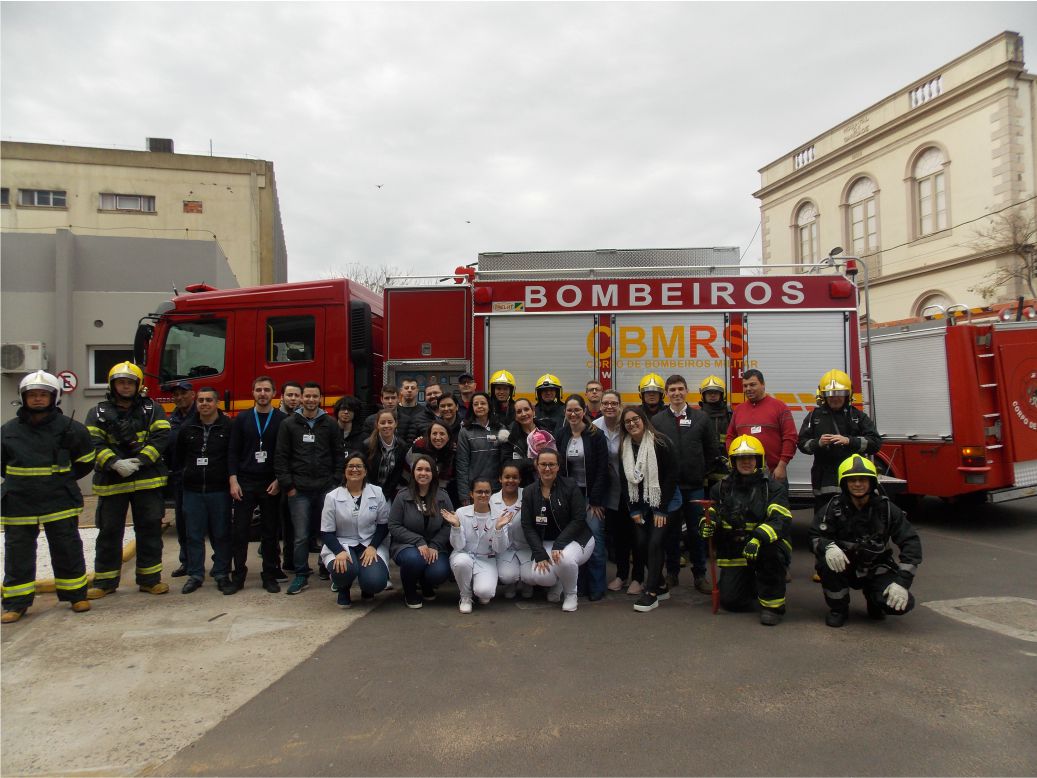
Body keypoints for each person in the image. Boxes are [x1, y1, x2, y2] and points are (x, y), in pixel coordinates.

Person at [1, 371, 95, 623]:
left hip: (59, 500)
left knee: (67, 548)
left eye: (43, 394)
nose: (38, 399)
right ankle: (15, 603)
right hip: (19, 501)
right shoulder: (7, 431)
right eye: (33, 395)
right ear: (23, 398)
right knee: (17, 553)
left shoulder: (71, 429)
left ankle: (76, 595)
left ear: (54, 397)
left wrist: (62, 477)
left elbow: (86, 461)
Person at [85, 361, 171, 600]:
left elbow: (162, 436)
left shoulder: (152, 409)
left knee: (150, 531)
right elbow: (93, 443)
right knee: (109, 532)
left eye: (129, 382)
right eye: (121, 382)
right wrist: (113, 463)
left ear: (138, 385)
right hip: (113, 482)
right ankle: (105, 581)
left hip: (146, 480)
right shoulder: (98, 413)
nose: (125, 387)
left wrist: (141, 460)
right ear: (112, 385)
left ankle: (150, 580)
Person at [811, 455, 922, 627]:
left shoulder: (887, 509)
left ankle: (875, 600)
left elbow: (911, 542)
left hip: (875, 567)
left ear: (872, 482)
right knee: (826, 565)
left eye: (862, 479)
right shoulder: (832, 509)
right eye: (852, 480)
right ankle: (838, 609)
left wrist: (902, 583)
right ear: (844, 483)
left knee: (901, 605)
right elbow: (815, 535)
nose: (857, 484)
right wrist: (828, 547)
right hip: (843, 565)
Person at [699, 435, 793, 625]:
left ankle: (772, 607)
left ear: (759, 460)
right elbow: (712, 511)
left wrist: (758, 538)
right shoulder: (721, 488)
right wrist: (707, 524)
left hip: (765, 547)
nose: (746, 462)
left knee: (770, 552)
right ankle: (749, 583)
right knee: (732, 602)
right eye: (741, 458)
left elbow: (780, 520)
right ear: (733, 461)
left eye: (751, 458)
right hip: (735, 549)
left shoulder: (772, 488)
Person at [274, 381, 344, 595]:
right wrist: (289, 485)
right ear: (301, 398)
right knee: (301, 536)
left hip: (326, 488)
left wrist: (335, 482)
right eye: (308, 396)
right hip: (299, 490)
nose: (311, 400)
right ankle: (301, 574)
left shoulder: (330, 424)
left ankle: (328, 569)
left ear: (319, 399)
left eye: (315, 396)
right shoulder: (289, 424)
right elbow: (281, 457)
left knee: (327, 532)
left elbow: (339, 454)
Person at [651, 374, 717, 594]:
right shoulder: (658, 421)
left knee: (698, 533)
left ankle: (700, 575)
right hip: (669, 489)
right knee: (671, 534)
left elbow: (711, 450)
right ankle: (672, 574)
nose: (676, 393)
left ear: (686, 391)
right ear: (666, 394)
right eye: (672, 390)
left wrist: (701, 471)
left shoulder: (701, 418)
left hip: (694, 487)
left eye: (680, 389)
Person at [228, 375, 286, 593]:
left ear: (274, 394)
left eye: (267, 390)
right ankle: (239, 575)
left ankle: (269, 574)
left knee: (270, 533)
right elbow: (233, 451)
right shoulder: (242, 419)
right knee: (240, 532)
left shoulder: (281, 420)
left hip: (271, 483)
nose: (263, 394)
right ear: (252, 393)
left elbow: (284, 454)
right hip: (245, 482)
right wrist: (233, 480)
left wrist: (279, 480)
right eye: (259, 390)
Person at [619, 405, 679, 613]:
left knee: (654, 543)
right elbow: (624, 480)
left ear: (643, 420)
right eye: (627, 421)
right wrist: (633, 509)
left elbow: (671, 477)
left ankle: (651, 593)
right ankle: (661, 585)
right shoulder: (624, 447)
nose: (632, 424)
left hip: (665, 501)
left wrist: (661, 509)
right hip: (641, 503)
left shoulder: (660, 442)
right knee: (641, 543)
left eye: (635, 419)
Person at [175, 387, 234, 594]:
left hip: (219, 491)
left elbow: (232, 457)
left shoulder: (228, 427)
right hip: (192, 491)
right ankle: (195, 574)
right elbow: (179, 457)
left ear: (216, 402)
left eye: (209, 400)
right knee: (193, 535)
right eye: (201, 400)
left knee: (221, 534)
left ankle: (221, 573)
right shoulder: (187, 428)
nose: (204, 404)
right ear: (196, 403)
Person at [520, 447, 594, 612]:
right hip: (547, 542)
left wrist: (559, 544)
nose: (547, 468)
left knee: (565, 559)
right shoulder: (529, 492)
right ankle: (560, 582)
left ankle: (570, 594)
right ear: (537, 466)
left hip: (577, 539)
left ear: (558, 466)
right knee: (541, 576)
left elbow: (579, 519)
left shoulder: (570, 485)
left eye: (552, 464)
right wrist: (539, 553)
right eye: (543, 464)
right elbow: (527, 525)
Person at [798, 369, 881, 513]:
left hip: (854, 480)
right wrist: (819, 443)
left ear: (848, 394)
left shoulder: (857, 417)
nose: (834, 398)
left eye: (839, 394)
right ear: (823, 395)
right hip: (824, 479)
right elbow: (801, 444)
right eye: (830, 394)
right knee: (824, 516)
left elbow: (875, 443)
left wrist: (849, 441)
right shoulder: (814, 417)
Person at [319, 453, 391, 608]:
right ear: (345, 471)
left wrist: (373, 546)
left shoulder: (377, 492)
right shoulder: (332, 497)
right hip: (342, 543)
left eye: (359, 466)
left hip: (369, 543)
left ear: (365, 471)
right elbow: (326, 532)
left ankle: (367, 587)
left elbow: (383, 525)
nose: (354, 469)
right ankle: (343, 588)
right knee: (344, 569)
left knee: (376, 581)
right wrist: (338, 551)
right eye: (350, 466)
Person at [556, 394, 609, 601]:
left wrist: (596, 500)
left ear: (584, 411)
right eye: (569, 410)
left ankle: (596, 587)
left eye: (577, 410)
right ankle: (577, 586)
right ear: (565, 412)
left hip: (591, 498)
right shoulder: (561, 435)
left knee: (595, 541)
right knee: (573, 543)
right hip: (570, 498)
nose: (573, 413)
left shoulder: (596, 435)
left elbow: (603, 469)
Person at [388, 454, 454, 608]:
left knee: (439, 572)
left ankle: (426, 583)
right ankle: (410, 591)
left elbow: (449, 524)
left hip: (434, 547)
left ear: (433, 473)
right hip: (407, 546)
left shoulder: (443, 497)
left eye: (427, 470)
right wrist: (418, 541)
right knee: (414, 560)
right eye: (419, 469)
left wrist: (435, 545)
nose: (423, 473)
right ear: (413, 472)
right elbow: (394, 525)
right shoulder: (402, 496)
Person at [595, 391, 641, 596]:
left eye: (614, 403)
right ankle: (622, 574)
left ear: (620, 405)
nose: (609, 407)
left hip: (633, 488)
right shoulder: (595, 427)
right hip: (611, 490)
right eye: (606, 403)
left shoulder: (628, 424)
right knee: (619, 535)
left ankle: (638, 577)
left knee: (637, 535)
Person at [442, 478, 510, 613]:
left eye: (487, 492)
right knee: (462, 562)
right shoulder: (461, 512)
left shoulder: (500, 515)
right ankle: (465, 596)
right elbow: (458, 546)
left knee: (485, 594)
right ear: (471, 494)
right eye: (479, 492)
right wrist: (456, 527)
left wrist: (498, 529)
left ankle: (477, 587)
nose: (483, 495)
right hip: (464, 554)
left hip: (486, 558)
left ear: (491, 493)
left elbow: (500, 549)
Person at [726, 369, 797, 484]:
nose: (748, 389)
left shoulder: (780, 407)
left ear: (763, 385)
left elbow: (790, 438)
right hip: (744, 475)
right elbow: (730, 437)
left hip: (773, 473)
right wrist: (734, 461)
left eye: (753, 384)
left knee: (775, 502)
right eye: (745, 386)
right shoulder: (738, 410)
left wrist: (782, 466)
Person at [164, 379, 196, 578]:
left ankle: (219, 564)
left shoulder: (202, 415)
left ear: (193, 394)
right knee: (183, 524)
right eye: (175, 394)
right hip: (180, 478)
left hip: (202, 478)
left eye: (183, 393)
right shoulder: (170, 421)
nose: (179, 397)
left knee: (208, 525)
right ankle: (186, 562)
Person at [455, 392, 506, 504]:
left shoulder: (500, 428)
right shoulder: (465, 431)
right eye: (475, 404)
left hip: (497, 489)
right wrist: (464, 495)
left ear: (489, 406)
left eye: (483, 403)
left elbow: (506, 460)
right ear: (472, 408)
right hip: (475, 491)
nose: (479, 406)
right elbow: (462, 465)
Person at [492, 462, 531, 600]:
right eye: (507, 477)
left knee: (531, 577)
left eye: (515, 477)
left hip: (526, 547)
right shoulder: (492, 500)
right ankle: (511, 583)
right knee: (507, 576)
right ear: (500, 479)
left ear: (520, 479)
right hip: (505, 549)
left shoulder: (528, 494)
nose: (510, 480)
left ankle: (527, 582)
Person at [277, 380, 303, 572]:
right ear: (282, 397)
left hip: (297, 478)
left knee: (294, 522)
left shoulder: (304, 421)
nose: (293, 399)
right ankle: (285, 560)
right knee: (280, 522)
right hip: (279, 478)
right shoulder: (276, 419)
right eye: (289, 395)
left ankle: (293, 559)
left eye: (296, 395)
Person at [500, 397, 553, 487]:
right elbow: (507, 464)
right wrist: (532, 463)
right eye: (519, 411)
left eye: (526, 409)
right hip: (522, 486)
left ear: (533, 411)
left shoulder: (547, 431)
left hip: (548, 483)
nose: (523, 414)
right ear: (515, 417)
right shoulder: (510, 437)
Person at [406, 420, 457, 507]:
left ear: (448, 437)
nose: (437, 437)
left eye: (442, 434)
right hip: (409, 487)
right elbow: (418, 477)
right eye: (434, 433)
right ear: (429, 435)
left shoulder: (450, 450)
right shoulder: (420, 446)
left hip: (434, 490)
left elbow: (443, 480)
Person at [698, 375, 732, 489]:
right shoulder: (696, 416)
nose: (712, 395)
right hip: (704, 469)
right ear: (703, 395)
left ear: (722, 394)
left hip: (726, 467)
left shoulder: (730, 415)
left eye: (716, 392)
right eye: (709, 392)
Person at [366, 410, 408, 501]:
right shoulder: (367, 445)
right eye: (382, 422)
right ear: (377, 425)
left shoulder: (402, 446)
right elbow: (365, 473)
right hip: (368, 492)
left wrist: (385, 495)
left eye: (390, 422)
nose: (386, 425)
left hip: (388, 493)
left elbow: (397, 474)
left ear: (395, 423)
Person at [395, 378, 425, 446]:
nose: (409, 390)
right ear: (401, 391)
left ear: (417, 391)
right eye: (406, 388)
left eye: (413, 388)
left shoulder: (423, 411)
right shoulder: (395, 410)